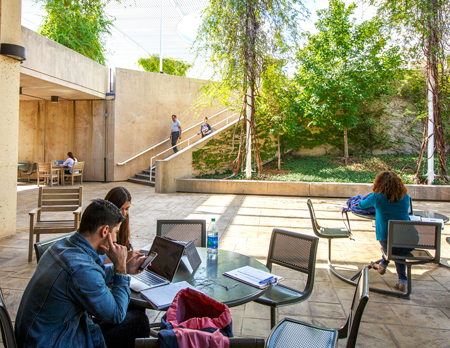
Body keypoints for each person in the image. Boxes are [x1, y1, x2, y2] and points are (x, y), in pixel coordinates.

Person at [15, 199, 150, 348]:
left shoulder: (64, 245)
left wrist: (125, 267)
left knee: (131, 307)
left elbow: (91, 276)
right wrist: (120, 271)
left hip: (38, 335)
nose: (116, 239)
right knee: (139, 321)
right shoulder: (80, 269)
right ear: (105, 231)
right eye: (116, 232)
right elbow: (116, 315)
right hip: (52, 342)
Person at [358, 171, 411, 292]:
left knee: (392, 249)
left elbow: (361, 205)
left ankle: (393, 272)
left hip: (386, 237)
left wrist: (369, 196)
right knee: (398, 249)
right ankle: (398, 277)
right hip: (409, 238)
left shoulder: (377, 197)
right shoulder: (406, 197)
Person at [105, 186, 133, 251]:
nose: (123, 213)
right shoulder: (103, 223)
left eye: (127, 209)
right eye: (120, 209)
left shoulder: (124, 222)